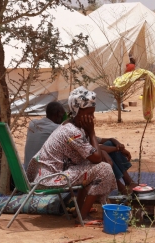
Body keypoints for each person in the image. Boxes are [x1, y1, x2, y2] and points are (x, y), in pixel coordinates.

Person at [26, 87, 117, 222]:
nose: (92, 118)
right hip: (50, 178)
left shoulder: (70, 126)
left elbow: (92, 152)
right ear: (77, 112)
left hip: (49, 174)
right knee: (103, 169)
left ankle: (79, 212)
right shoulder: (71, 132)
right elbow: (96, 158)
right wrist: (91, 132)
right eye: (89, 113)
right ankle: (83, 216)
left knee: (90, 167)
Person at [23, 101, 65, 170]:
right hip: (41, 176)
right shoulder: (57, 128)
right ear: (58, 114)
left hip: (27, 170)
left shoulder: (32, 124)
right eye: (62, 114)